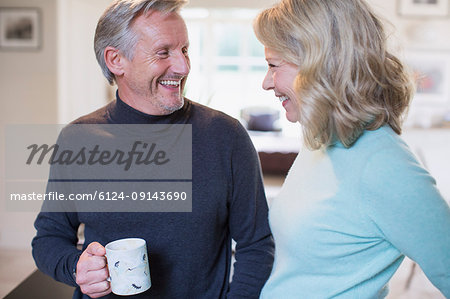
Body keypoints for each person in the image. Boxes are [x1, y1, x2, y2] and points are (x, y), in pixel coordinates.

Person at [32, 0, 274, 298]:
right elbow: (49, 238)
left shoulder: (226, 136)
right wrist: (76, 267)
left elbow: (257, 245)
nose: (183, 66)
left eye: (184, 50)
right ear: (116, 60)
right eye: (164, 52)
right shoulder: (77, 139)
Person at [253, 0, 450, 297]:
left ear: (317, 64)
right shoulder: (319, 141)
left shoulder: (384, 166)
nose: (266, 82)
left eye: (273, 66)